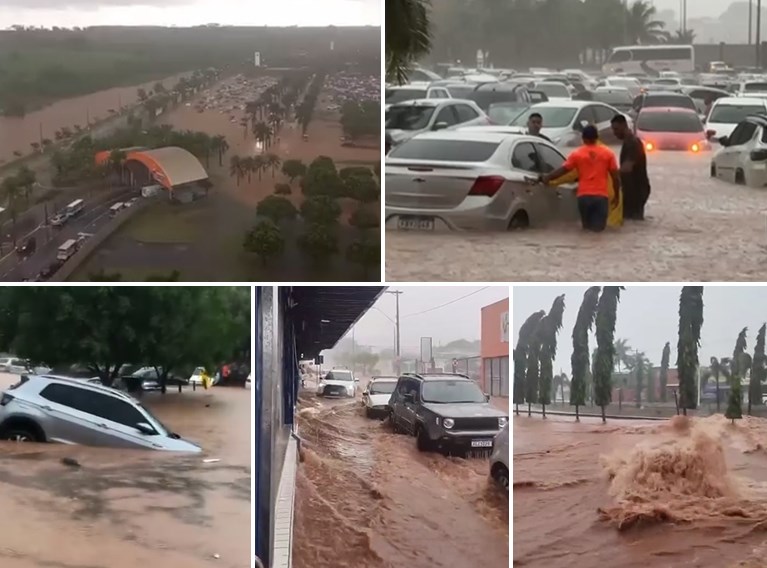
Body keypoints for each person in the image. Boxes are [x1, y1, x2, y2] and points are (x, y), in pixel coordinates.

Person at [541, 125, 621, 232]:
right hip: (601, 197)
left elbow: (563, 170)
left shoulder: (577, 154)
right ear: (597, 137)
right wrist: (616, 195)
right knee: (599, 233)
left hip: (584, 197)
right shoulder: (608, 153)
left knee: (586, 230)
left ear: (583, 138)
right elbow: (615, 178)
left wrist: (547, 177)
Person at [610, 114, 651, 220]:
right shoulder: (629, 141)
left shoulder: (632, 143)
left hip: (636, 191)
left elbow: (627, 168)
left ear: (624, 125)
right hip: (633, 189)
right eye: (613, 130)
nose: (614, 133)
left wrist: (609, 175)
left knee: (631, 220)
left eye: (616, 129)